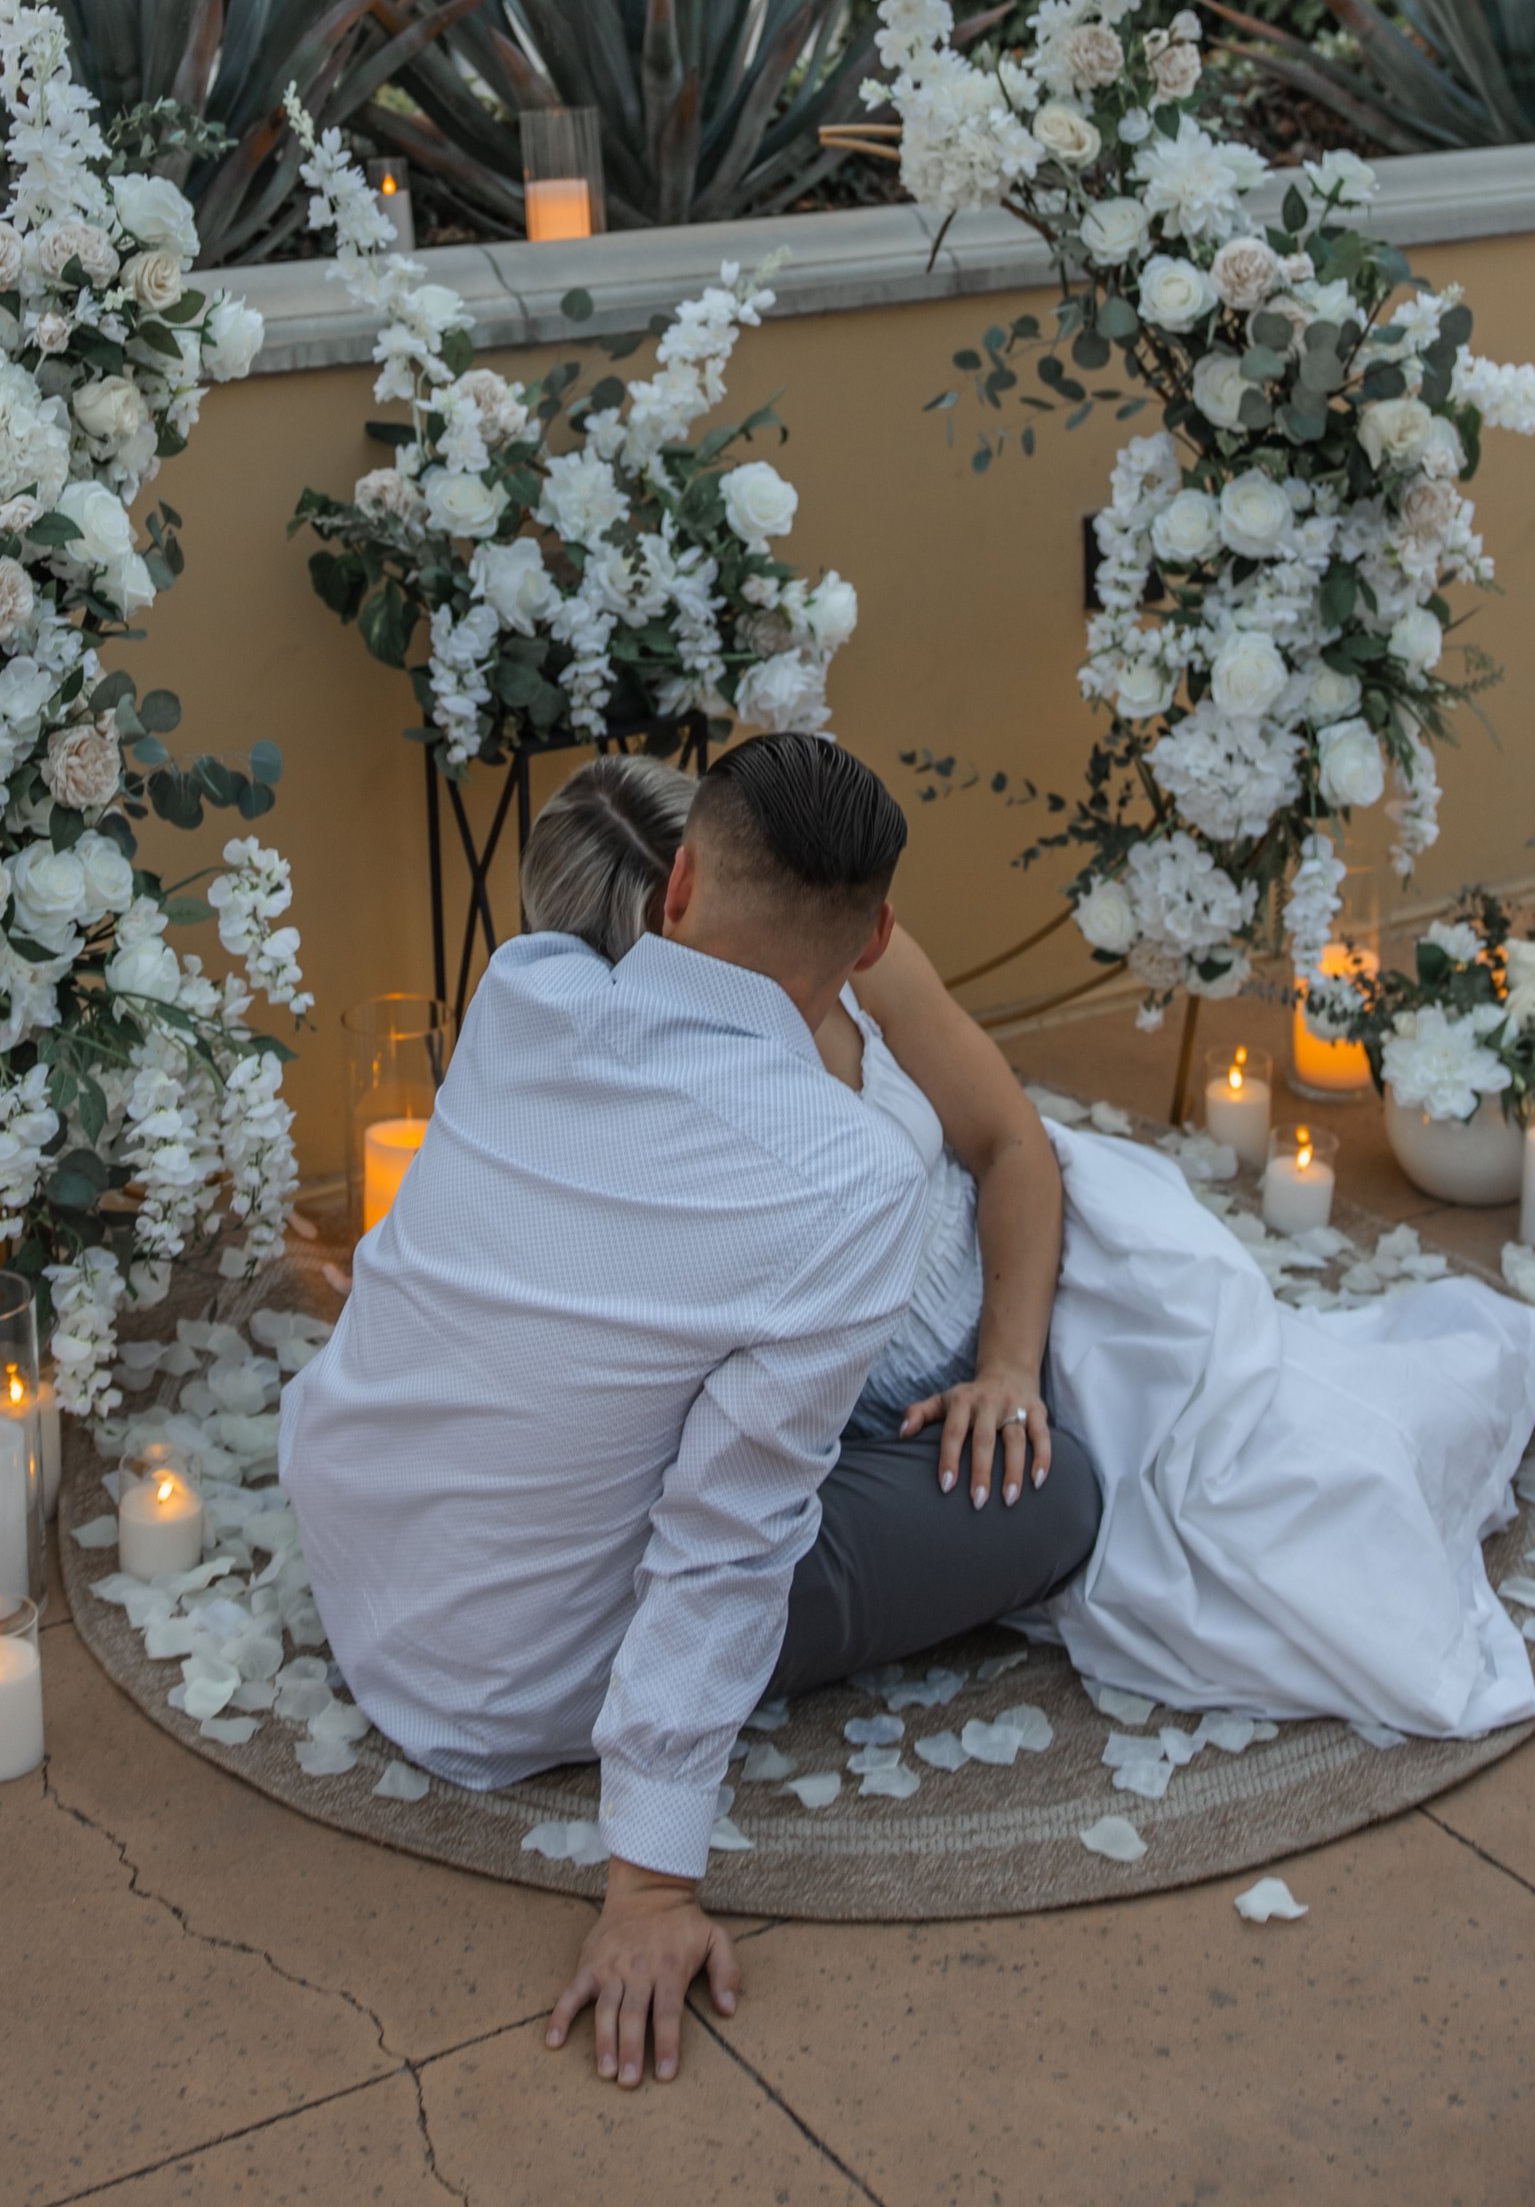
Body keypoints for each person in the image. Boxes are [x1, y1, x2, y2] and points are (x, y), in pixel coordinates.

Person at [518, 755, 1535, 1772]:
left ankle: (1505, 1365)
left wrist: (1007, 1368)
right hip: (875, 1424)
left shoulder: (845, 938)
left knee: (1285, 1510)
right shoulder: (616, 1092)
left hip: (1054, 1284)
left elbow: (1010, 1147)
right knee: (1159, 1552)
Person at [278, 735, 1100, 2090]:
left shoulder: (521, 984)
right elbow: (731, 1531)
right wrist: (650, 1887)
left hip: (365, 1554)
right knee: (1054, 1492)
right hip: (509, 1676)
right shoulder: (845, 1180)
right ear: (874, 937)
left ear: (676, 891)